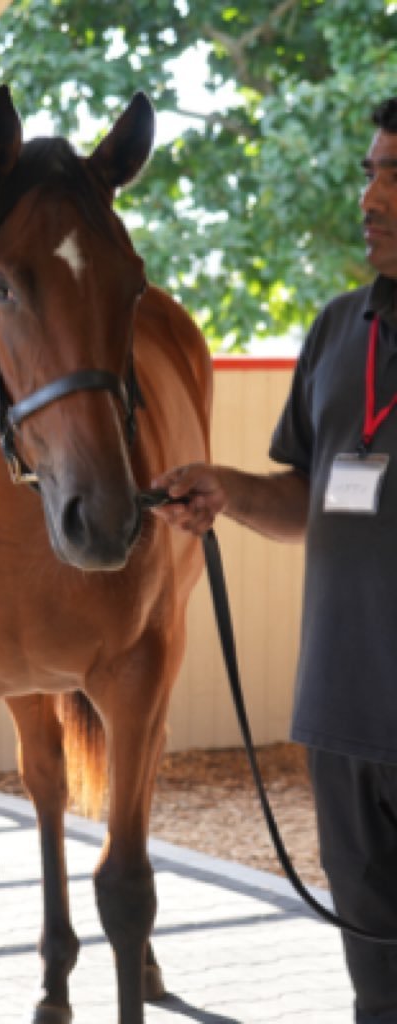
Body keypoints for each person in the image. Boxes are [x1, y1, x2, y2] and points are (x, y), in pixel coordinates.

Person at [153, 97, 397, 1023]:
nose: (371, 196)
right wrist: (226, 490)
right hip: (343, 720)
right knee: (376, 991)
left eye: (393, 175)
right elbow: (307, 497)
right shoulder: (342, 331)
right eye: (368, 171)